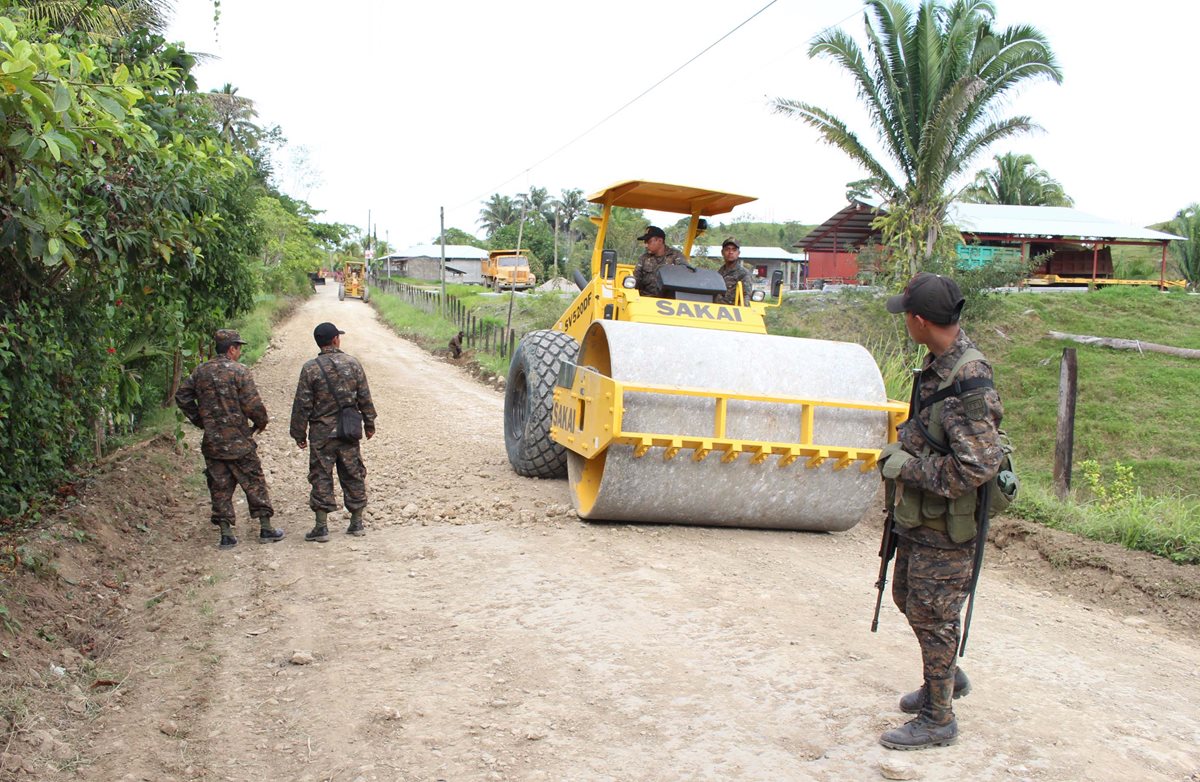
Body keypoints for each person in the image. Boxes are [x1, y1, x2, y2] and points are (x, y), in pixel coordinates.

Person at [875, 272, 1004, 750]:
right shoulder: (938, 365)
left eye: (906, 315)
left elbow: (977, 467)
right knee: (908, 597)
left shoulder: (968, 381)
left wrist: (907, 467)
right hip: (922, 521)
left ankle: (939, 717)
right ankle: (943, 675)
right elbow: (931, 430)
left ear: (921, 320)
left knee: (935, 614)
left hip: (948, 528)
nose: (905, 322)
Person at [175, 329, 283, 549]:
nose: (240, 352)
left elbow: (182, 396)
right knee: (254, 482)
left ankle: (226, 534)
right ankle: (265, 528)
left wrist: (201, 420)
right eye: (239, 348)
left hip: (213, 442)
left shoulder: (200, 372)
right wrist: (261, 422)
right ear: (232, 349)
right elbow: (253, 405)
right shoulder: (239, 372)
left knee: (219, 486)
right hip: (239, 441)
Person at [289, 322, 377, 542]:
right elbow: (364, 397)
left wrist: (299, 434)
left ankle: (321, 527)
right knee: (353, 472)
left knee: (320, 475)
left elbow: (302, 404)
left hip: (321, 434)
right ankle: (356, 523)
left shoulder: (310, 368)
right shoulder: (353, 364)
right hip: (348, 431)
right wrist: (369, 423)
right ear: (336, 340)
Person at [632, 225, 686, 297]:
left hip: (669, 302)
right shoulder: (643, 258)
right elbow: (636, 279)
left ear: (660, 241)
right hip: (645, 299)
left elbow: (684, 276)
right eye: (645, 242)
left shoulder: (676, 256)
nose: (646, 245)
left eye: (649, 242)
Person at [715, 238, 756, 305]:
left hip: (733, 311)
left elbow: (746, 296)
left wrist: (742, 312)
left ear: (738, 253)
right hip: (715, 310)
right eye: (727, 249)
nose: (731, 252)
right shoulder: (718, 273)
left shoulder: (744, 274)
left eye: (734, 250)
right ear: (722, 252)